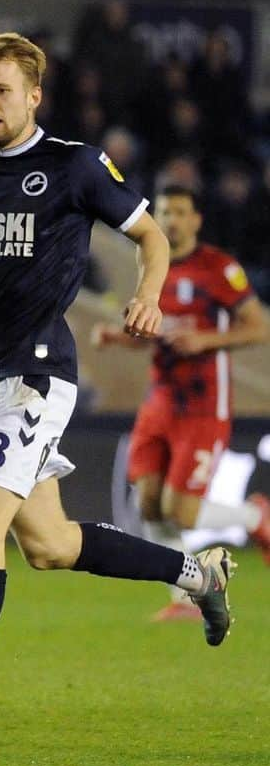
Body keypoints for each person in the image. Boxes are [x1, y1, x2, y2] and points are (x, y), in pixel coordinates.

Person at [0, 33, 235, 745]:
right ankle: (197, 575)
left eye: (2, 90)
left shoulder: (72, 167)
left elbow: (151, 237)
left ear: (34, 95)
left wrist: (151, 295)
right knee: (47, 544)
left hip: (37, 373)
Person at [92, 186, 270, 614]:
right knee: (149, 504)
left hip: (205, 404)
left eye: (179, 212)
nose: (171, 220)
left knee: (182, 513)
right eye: (165, 212)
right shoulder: (154, 266)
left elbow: (257, 328)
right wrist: (119, 337)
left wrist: (207, 339)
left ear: (196, 220)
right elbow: (154, 333)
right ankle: (187, 598)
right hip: (160, 401)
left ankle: (256, 517)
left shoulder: (219, 269)